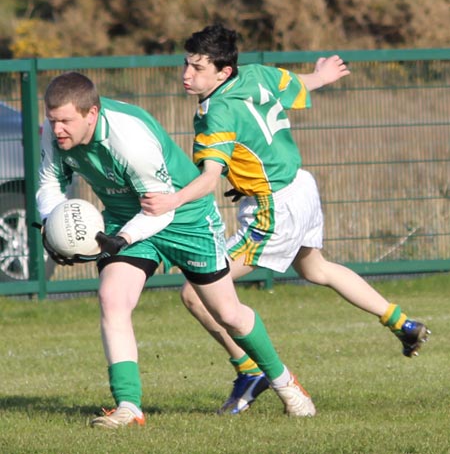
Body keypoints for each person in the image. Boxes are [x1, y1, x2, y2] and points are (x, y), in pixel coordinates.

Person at [140, 24, 431, 415]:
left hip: (272, 207)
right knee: (317, 269)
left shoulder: (217, 112)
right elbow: (298, 85)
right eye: (186, 65)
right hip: (299, 186)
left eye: (197, 68)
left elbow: (209, 178)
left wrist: (170, 201)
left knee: (196, 293)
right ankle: (402, 323)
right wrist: (323, 76)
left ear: (224, 72)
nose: (186, 75)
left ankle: (249, 371)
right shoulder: (258, 72)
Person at [36, 71, 318, 429]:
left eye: (65, 121)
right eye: (52, 120)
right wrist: (51, 222)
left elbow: (161, 207)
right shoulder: (54, 134)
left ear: (91, 113)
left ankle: (286, 384)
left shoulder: (129, 140)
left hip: (185, 219)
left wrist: (121, 240)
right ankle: (129, 406)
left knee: (228, 312)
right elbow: (49, 182)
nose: (57, 129)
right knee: (112, 299)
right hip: (127, 218)